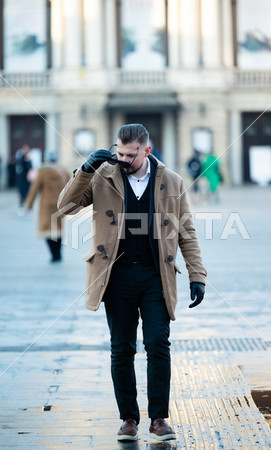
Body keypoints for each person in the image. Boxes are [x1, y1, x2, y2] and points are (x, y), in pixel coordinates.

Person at [57, 123, 207, 442]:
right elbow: (66, 206)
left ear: (146, 150)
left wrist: (197, 275)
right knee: (122, 349)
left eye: (129, 154)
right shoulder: (103, 176)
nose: (122, 159)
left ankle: (158, 419)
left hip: (156, 276)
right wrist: (85, 170)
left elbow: (187, 232)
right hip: (116, 276)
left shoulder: (172, 181)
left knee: (157, 344)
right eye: (118, 153)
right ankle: (128, 418)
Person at [25, 154, 70, 262]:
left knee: (47, 230)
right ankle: (58, 253)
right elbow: (71, 185)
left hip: (46, 205)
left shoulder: (43, 172)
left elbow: (34, 189)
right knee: (58, 229)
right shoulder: (63, 170)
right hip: (60, 204)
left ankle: (54, 255)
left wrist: (29, 205)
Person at [15, 144, 32, 212]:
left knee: (28, 195)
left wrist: (28, 160)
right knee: (22, 195)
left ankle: (27, 209)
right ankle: (21, 209)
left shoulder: (28, 158)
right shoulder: (21, 158)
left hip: (27, 181)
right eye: (24, 149)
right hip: (21, 180)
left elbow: (30, 167)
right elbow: (19, 167)